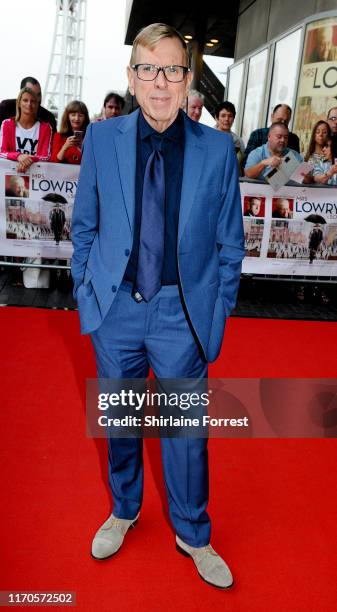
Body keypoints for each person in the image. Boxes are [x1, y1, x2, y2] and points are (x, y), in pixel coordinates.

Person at [71, 22, 244, 589]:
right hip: (116, 307)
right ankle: (124, 508)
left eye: (172, 69)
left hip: (181, 314)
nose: (160, 82)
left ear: (188, 79)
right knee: (120, 423)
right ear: (132, 76)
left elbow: (230, 243)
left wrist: (213, 314)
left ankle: (194, 531)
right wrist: (87, 294)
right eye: (149, 69)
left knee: (186, 434)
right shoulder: (102, 139)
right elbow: (86, 228)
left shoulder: (218, 150)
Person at [0, 87, 52, 172]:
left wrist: (26, 160)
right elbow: (2, 152)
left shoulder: (45, 128)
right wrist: (18, 156)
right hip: (10, 174)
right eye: (25, 100)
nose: (29, 104)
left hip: (36, 176)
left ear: (37, 105)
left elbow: (46, 156)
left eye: (33, 101)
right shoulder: (7, 124)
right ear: (19, 103)